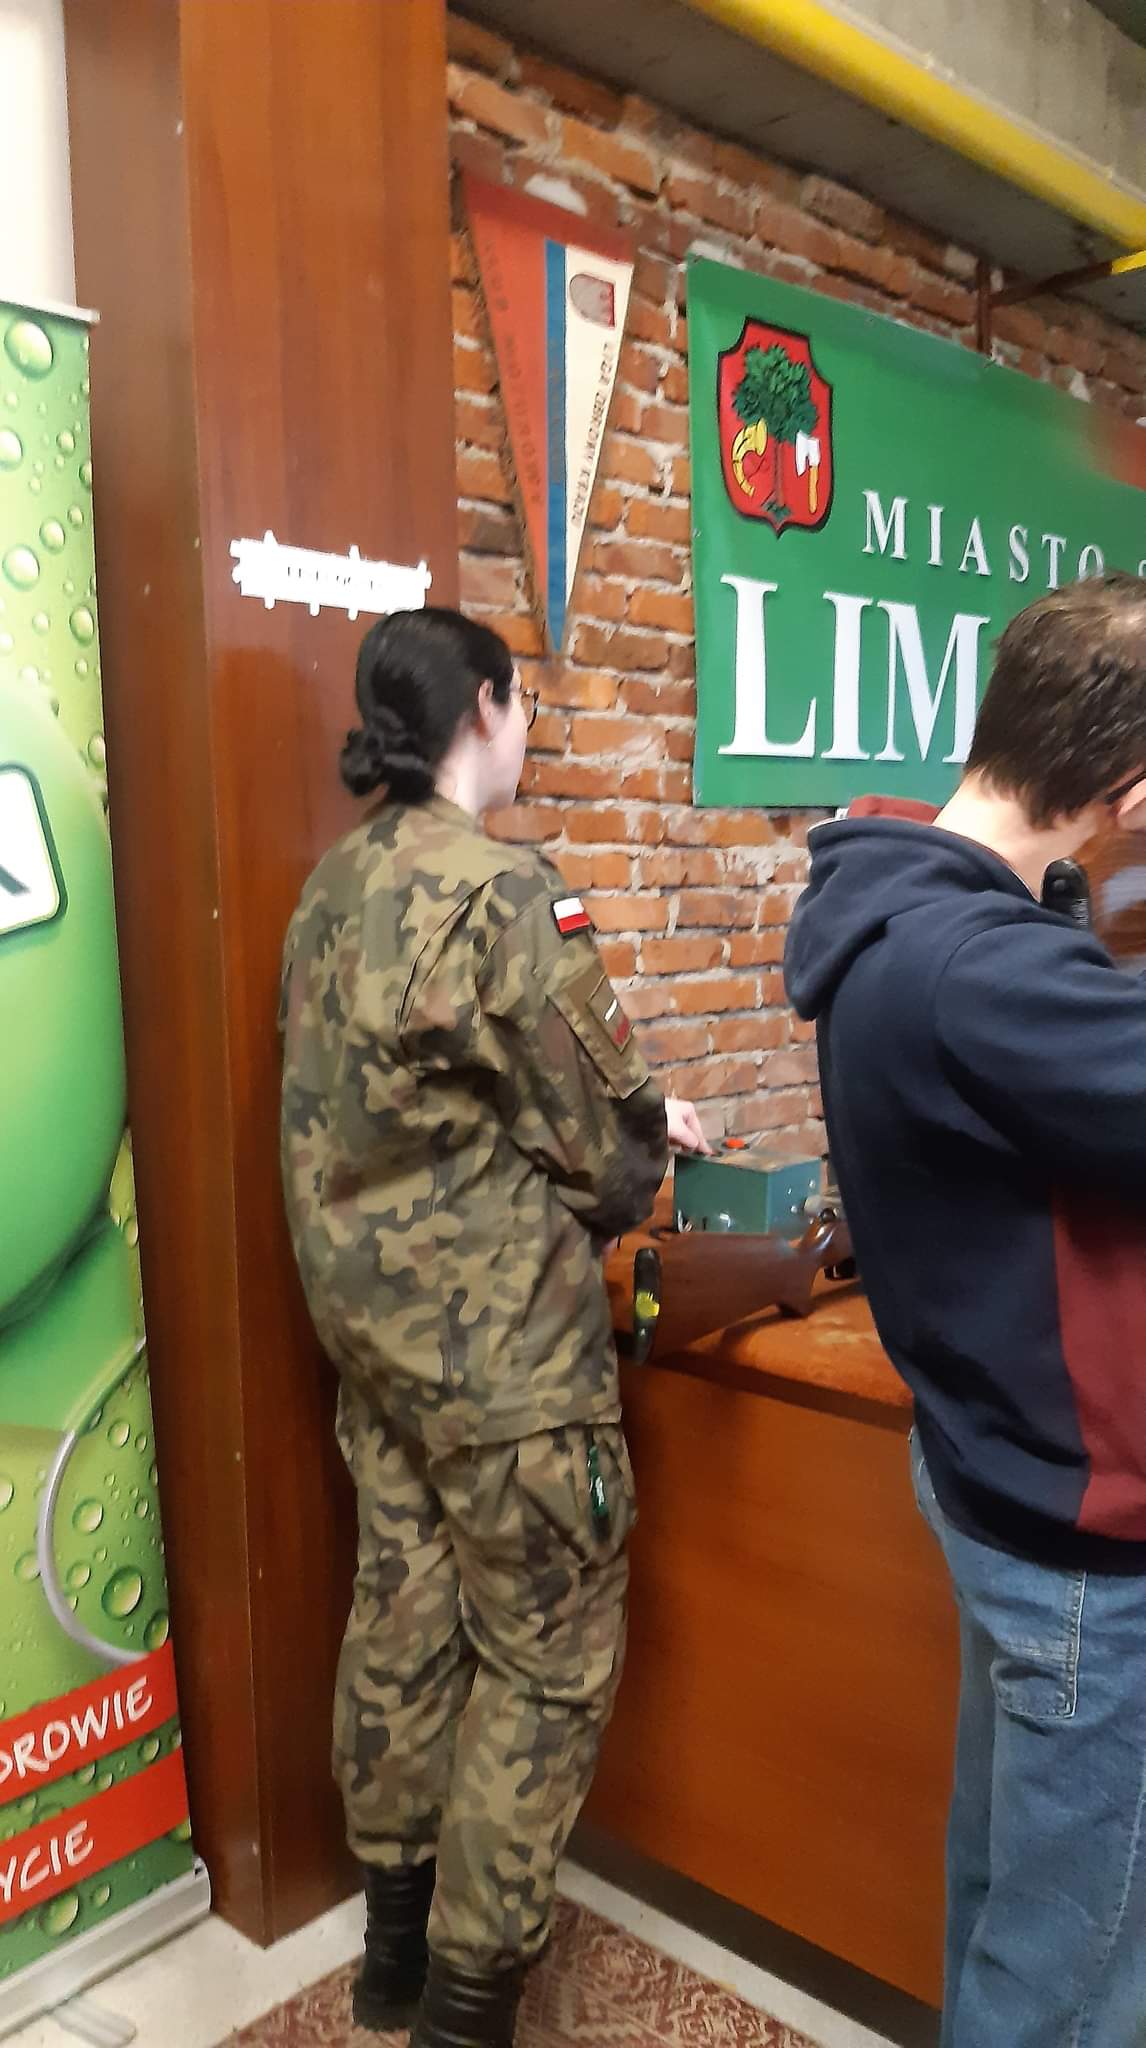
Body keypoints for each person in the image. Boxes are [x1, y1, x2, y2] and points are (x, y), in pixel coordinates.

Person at [279, 607, 707, 2048]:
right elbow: (611, 1156)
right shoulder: (505, 893)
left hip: (375, 1353)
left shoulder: (332, 886)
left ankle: (391, 1962)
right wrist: (647, 1139)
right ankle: (467, 2012)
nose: (527, 730)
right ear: (483, 707)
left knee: (400, 1624)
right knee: (546, 1661)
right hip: (509, 1369)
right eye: (523, 705)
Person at [784, 573, 1146, 2048]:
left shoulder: (906, 900)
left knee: (1012, 1891)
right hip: (1077, 1533)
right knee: (1075, 1973)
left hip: (998, 1472)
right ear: (1128, 792)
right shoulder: (983, 972)